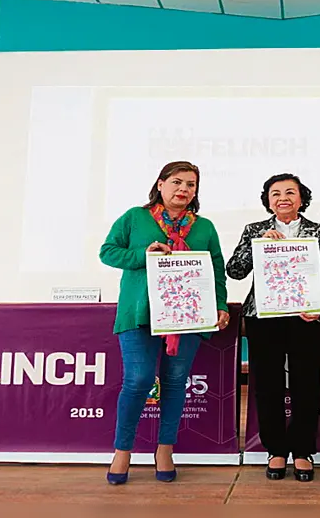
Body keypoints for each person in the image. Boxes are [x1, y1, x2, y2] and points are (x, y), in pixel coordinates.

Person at [99, 161, 229, 486]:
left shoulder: (204, 227)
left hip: (187, 316)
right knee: (138, 380)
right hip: (139, 314)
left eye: (191, 185)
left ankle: (165, 449)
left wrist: (221, 305)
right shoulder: (135, 217)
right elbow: (107, 252)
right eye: (177, 182)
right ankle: (122, 451)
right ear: (160, 184)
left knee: (175, 382)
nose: (183, 189)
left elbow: (216, 269)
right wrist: (144, 254)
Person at [226, 173, 320, 482]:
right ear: (267, 200)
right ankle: (275, 450)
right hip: (264, 318)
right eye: (275, 193)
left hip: (306, 317)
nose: (283, 198)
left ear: (302, 197)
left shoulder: (319, 231)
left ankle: (303, 451)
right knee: (267, 384)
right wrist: (256, 245)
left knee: (306, 384)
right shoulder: (255, 230)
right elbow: (235, 271)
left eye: (290, 192)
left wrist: (319, 308)